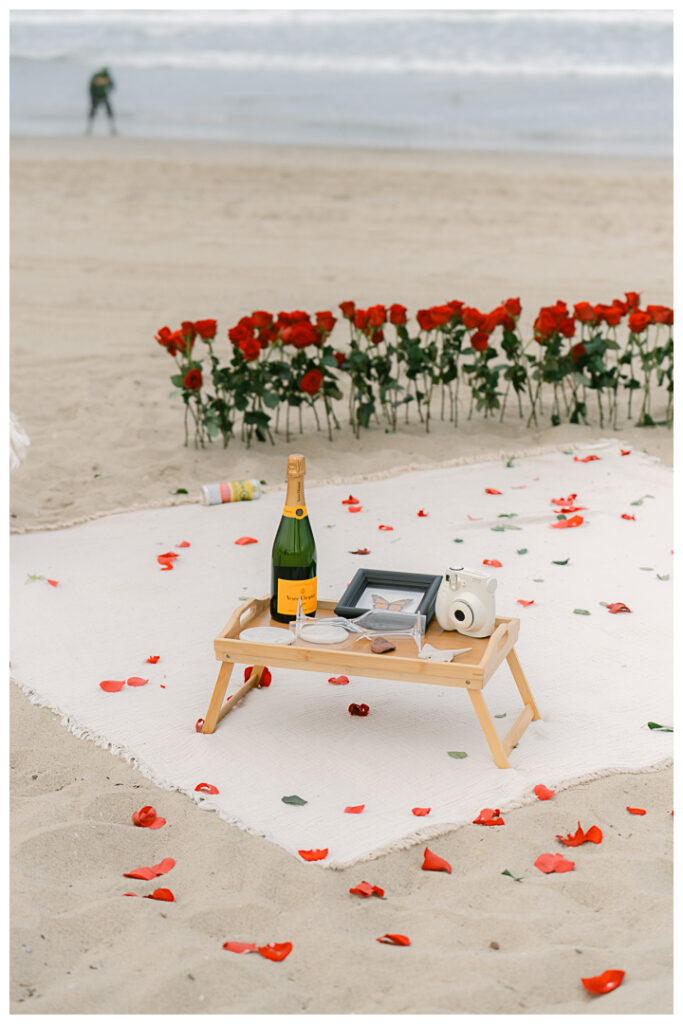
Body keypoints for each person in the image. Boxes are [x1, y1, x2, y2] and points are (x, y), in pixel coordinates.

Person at [86, 68, 116, 135]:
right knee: (92, 113)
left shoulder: (107, 77)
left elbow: (112, 85)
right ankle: (89, 129)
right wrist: (92, 96)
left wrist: (109, 91)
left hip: (104, 97)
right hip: (95, 97)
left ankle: (112, 128)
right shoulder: (96, 77)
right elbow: (90, 87)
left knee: (109, 112)